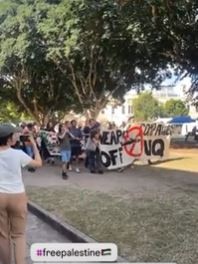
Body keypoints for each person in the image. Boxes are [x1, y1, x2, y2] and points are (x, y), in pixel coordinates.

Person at [0, 124, 42, 264]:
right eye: (14, 135)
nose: (16, 137)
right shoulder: (17, 154)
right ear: (8, 138)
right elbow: (38, 163)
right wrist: (34, 144)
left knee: (3, 236)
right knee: (19, 235)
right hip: (17, 196)